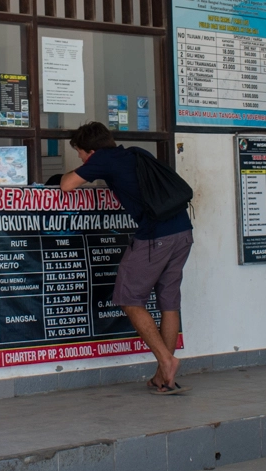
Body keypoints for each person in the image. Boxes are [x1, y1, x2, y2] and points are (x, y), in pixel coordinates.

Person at [59, 122, 192, 394]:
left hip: (156, 237)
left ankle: (166, 361)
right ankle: (163, 379)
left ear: (92, 150)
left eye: (81, 153)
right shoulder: (135, 153)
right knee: (169, 303)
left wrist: (84, 167)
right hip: (183, 232)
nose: (81, 159)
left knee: (129, 299)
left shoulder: (103, 159)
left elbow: (66, 185)